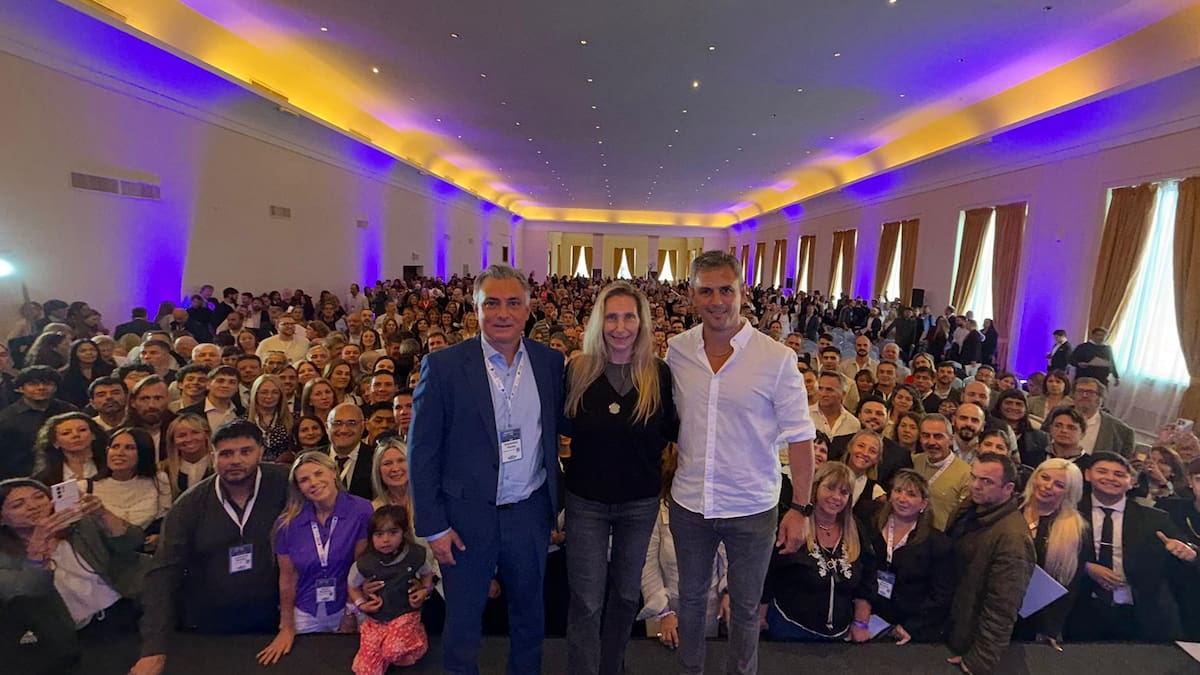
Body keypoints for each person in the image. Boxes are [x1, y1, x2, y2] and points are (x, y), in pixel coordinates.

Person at [409, 263, 564, 675]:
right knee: (462, 622)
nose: (503, 313)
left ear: (529, 309)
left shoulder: (550, 363)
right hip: (464, 518)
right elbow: (421, 451)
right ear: (474, 309)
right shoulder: (443, 366)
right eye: (491, 303)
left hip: (528, 513)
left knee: (530, 616)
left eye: (513, 303)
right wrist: (433, 526)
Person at [665, 251, 815, 675]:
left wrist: (800, 509)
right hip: (691, 502)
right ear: (692, 296)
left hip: (752, 506)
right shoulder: (677, 351)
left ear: (742, 292)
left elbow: (802, 438)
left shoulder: (776, 359)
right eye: (706, 291)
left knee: (746, 610)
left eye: (726, 290)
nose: (717, 300)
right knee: (691, 602)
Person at [561, 281, 678, 675]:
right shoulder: (577, 371)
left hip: (638, 503)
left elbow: (673, 432)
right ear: (599, 321)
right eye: (612, 317)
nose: (620, 326)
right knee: (587, 599)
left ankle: (612, 666)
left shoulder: (658, 374)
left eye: (629, 316)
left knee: (627, 596)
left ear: (642, 322)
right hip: (586, 502)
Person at [129, 421, 290, 675]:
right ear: (212, 456)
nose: (236, 460)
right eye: (226, 453)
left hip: (275, 622)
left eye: (245, 451)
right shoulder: (189, 505)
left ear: (261, 451)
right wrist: (153, 648)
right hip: (209, 625)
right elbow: (162, 574)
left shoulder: (287, 483)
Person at [0, 477, 149, 652]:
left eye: (39, 497)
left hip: (128, 609)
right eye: (18, 505)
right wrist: (37, 547)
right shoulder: (5, 558)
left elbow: (133, 542)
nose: (33, 506)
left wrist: (103, 513)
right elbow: (30, 590)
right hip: (75, 636)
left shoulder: (79, 525)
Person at [1067, 452, 1199, 642]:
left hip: (1137, 615)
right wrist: (1086, 568)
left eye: (1119, 474)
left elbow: (1188, 550)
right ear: (1088, 475)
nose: (1110, 478)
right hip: (1080, 610)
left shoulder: (1155, 518)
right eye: (1102, 471)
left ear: (1132, 482)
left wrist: (1189, 552)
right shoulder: (1070, 512)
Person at [257, 452, 373, 664]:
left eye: (319, 473)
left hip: (349, 606)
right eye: (304, 479)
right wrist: (287, 626)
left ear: (333, 472)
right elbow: (287, 578)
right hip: (306, 609)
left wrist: (350, 614)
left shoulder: (362, 510)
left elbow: (361, 569)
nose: (313, 482)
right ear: (298, 487)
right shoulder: (287, 524)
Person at [762, 462, 876, 642]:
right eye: (830, 488)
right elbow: (768, 573)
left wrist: (861, 623)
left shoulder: (856, 529)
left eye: (844, 492)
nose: (836, 497)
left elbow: (867, 581)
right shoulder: (793, 525)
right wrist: (759, 617)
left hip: (839, 637)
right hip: (789, 631)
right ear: (815, 488)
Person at [945, 453, 1035, 675]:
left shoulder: (1013, 537)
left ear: (1008, 488)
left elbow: (1002, 608)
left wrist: (979, 661)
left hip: (971, 645)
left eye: (986, 481)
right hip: (954, 626)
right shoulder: (969, 509)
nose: (975, 486)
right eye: (973, 477)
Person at [869, 469, 954, 644]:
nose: (902, 498)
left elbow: (940, 595)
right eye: (898, 491)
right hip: (871, 622)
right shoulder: (872, 528)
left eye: (911, 494)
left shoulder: (937, 543)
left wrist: (911, 627)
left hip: (912, 630)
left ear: (923, 504)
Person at [348, 504, 433, 675]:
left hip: (405, 613)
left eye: (393, 533)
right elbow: (352, 585)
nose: (385, 540)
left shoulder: (416, 554)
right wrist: (361, 605)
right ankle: (383, 647)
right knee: (365, 670)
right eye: (379, 534)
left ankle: (418, 639)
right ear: (371, 537)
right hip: (376, 620)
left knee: (393, 651)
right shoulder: (364, 563)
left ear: (404, 533)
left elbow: (427, 573)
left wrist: (424, 590)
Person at [1012, 458, 1088, 647]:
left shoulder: (1076, 530)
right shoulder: (1009, 507)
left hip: (1034, 617)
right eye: (1044, 477)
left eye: (1059, 485)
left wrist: (1050, 628)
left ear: (1069, 492)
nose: (1047, 486)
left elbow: (1070, 585)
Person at [86, 427, 172, 544]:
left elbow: (165, 519)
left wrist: (159, 537)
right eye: (115, 447)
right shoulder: (85, 487)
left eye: (129, 448)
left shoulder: (159, 480)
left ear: (143, 453)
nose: (119, 453)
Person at [0, 366, 78, 479]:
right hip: (22, 478)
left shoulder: (68, 410)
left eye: (47, 383)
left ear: (55, 387)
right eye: (33, 384)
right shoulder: (6, 418)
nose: (41, 388)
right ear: (20, 388)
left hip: (67, 474)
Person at [911, 414, 971, 530]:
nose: (931, 442)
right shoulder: (914, 461)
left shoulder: (966, 474)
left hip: (942, 541)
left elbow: (963, 520)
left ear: (951, 439)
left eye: (938, 436)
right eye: (926, 436)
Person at [31, 412, 107, 485]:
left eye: (82, 430)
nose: (76, 435)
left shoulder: (109, 465)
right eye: (66, 433)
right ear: (55, 442)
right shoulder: (45, 477)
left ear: (93, 435)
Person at [1065, 377, 1134, 458]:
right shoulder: (1057, 415)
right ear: (1073, 395)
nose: (1084, 395)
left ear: (1101, 397)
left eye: (1090, 392)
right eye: (1080, 391)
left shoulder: (1120, 430)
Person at [159, 413, 213, 499]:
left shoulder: (220, 465)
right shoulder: (163, 469)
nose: (189, 439)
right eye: (182, 435)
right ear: (173, 441)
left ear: (206, 435)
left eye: (195, 432)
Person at [993, 388, 1050, 468]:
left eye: (1019, 404)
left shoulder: (1040, 438)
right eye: (1008, 403)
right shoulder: (987, 431)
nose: (1013, 407)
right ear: (999, 405)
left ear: (1026, 409)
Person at [245, 374, 295, 462]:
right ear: (255, 394)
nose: (269, 396)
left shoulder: (293, 420)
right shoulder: (243, 422)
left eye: (275, 392)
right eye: (264, 392)